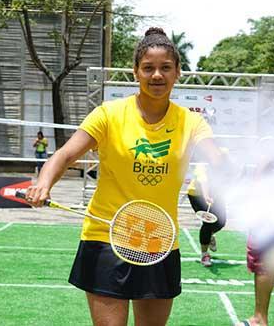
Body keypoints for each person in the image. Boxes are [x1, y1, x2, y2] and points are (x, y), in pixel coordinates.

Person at [24, 27, 226, 326]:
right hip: (106, 238)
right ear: (135, 72)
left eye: (165, 68)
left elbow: (216, 157)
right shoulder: (108, 114)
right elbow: (65, 155)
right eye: (148, 68)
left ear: (178, 73)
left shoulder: (191, 122)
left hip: (159, 241)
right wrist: (43, 183)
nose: (157, 75)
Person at [187, 157, 227, 267]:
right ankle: (204, 254)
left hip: (216, 194)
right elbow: (203, 181)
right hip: (197, 195)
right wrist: (206, 196)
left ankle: (209, 236)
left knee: (221, 222)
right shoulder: (201, 165)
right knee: (208, 223)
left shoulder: (222, 154)